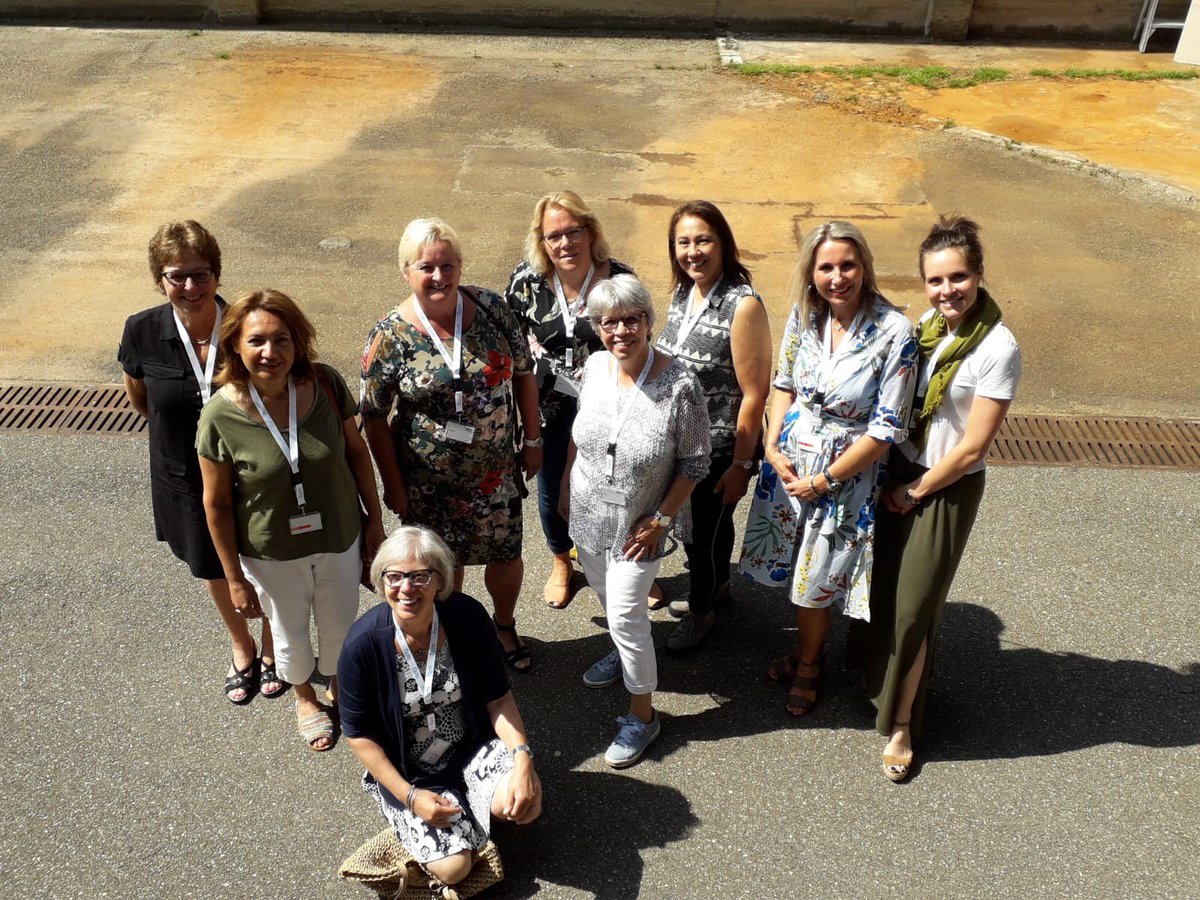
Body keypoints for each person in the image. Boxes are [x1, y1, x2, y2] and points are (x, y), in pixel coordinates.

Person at [848, 216, 1021, 782]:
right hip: (900, 468)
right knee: (881, 590)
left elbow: (973, 448)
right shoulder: (927, 327)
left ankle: (901, 724)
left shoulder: (998, 347)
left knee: (915, 608)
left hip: (941, 487)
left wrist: (914, 489)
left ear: (978, 274)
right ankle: (874, 685)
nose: (948, 291)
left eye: (959, 278)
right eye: (936, 280)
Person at [740, 221, 917, 717]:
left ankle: (810, 665)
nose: (837, 277)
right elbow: (783, 382)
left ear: (864, 268)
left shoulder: (894, 332)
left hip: (843, 475)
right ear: (810, 272)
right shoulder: (804, 315)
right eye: (826, 267)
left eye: (847, 265)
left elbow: (886, 428)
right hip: (790, 463)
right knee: (795, 565)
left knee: (816, 576)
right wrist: (771, 443)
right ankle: (805, 648)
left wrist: (826, 479)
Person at [197, 289, 385, 750]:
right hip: (271, 550)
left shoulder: (324, 384)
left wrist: (374, 522)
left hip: (339, 534)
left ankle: (340, 685)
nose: (270, 353)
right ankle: (303, 697)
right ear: (235, 347)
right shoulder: (219, 414)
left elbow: (357, 454)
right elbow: (216, 504)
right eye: (257, 341)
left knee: (340, 620)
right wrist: (233, 578)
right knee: (288, 629)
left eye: (282, 340)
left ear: (298, 343)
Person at [361, 218, 542, 673]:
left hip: (496, 471)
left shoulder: (493, 309)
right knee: (440, 565)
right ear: (406, 270)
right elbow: (373, 415)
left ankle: (502, 626)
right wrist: (393, 485)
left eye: (448, 265)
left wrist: (533, 438)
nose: (439, 277)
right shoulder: (390, 335)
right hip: (428, 482)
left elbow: (524, 373)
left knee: (505, 552)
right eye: (426, 267)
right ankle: (449, 632)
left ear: (460, 266)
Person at [119, 221, 283, 704]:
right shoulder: (142, 330)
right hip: (184, 477)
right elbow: (141, 398)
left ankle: (275, 645)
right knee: (215, 566)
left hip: (252, 472)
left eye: (201, 274)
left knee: (268, 562)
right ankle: (242, 644)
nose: (190, 287)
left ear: (217, 273)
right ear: (159, 279)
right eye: (177, 276)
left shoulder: (244, 328)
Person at [559, 274, 710, 767]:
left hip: (641, 524)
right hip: (587, 510)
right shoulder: (597, 366)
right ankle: (622, 652)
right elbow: (582, 437)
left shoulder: (678, 384)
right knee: (609, 600)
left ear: (649, 321)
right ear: (598, 329)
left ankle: (643, 716)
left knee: (626, 612)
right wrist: (564, 485)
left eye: (631, 319)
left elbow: (695, 463)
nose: (621, 331)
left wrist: (662, 518)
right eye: (609, 322)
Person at [339, 526, 542, 890]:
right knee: (454, 870)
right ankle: (422, 830)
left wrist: (524, 759)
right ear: (381, 579)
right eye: (395, 576)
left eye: (420, 576)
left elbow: (498, 698)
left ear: (440, 580)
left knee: (527, 804)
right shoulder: (362, 645)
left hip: (470, 748)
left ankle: (467, 819)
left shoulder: (466, 617)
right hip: (412, 772)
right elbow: (359, 736)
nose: (406, 588)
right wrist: (410, 797)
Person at [504, 191, 636, 610]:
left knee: (619, 489)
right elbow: (510, 341)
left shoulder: (619, 279)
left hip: (609, 412)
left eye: (573, 232)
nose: (564, 244)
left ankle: (627, 564)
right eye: (553, 236)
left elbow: (639, 339)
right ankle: (562, 562)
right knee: (551, 491)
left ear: (591, 231)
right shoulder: (526, 282)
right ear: (541, 242)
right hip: (549, 412)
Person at [655, 201, 772, 653]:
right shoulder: (685, 292)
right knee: (712, 528)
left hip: (720, 446)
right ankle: (718, 588)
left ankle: (702, 613)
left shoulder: (742, 305)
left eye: (703, 240)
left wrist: (742, 464)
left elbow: (755, 392)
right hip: (685, 441)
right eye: (683, 242)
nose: (693, 251)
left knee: (700, 536)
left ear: (723, 242)